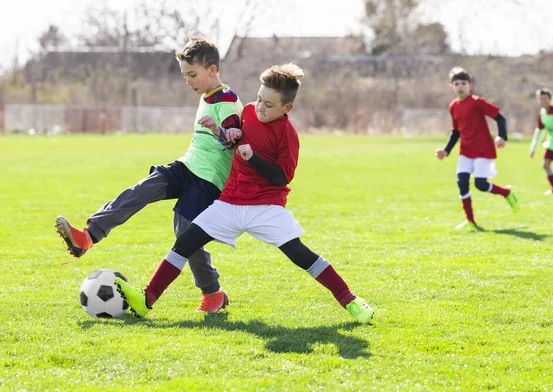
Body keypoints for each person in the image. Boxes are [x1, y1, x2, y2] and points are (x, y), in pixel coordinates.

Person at [115, 63, 374, 324]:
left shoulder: (288, 134)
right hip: (229, 203)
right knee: (185, 242)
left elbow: (282, 176)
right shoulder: (248, 111)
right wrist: (220, 132)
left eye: (269, 105)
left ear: (287, 108)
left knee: (300, 254)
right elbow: (232, 142)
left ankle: (350, 300)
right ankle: (146, 299)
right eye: (260, 99)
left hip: (265, 207)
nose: (260, 107)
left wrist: (253, 159)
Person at [55, 34, 244, 310]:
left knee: (184, 232)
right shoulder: (207, 95)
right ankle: (88, 236)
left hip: (208, 180)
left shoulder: (226, 98)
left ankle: (212, 293)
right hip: (187, 166)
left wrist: (219, 131)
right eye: (184, 76)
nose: (188, 81)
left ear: (212, 69)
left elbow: (232, 138)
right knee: (143, 188)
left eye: (192, 74)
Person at [435, 67, 519, 229]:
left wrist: (502, 136)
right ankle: (471, 221)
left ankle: (507, 193)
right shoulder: (453, 106)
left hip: (482, 149)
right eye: (457, 83)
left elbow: (500, 118)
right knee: (462, 182)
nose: (460, 87)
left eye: (464, 83)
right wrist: (446, 150)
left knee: (480, 184)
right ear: (451, 87)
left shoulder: (477, 102)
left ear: (470, 85)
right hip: (465, 150)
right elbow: (456, 131)